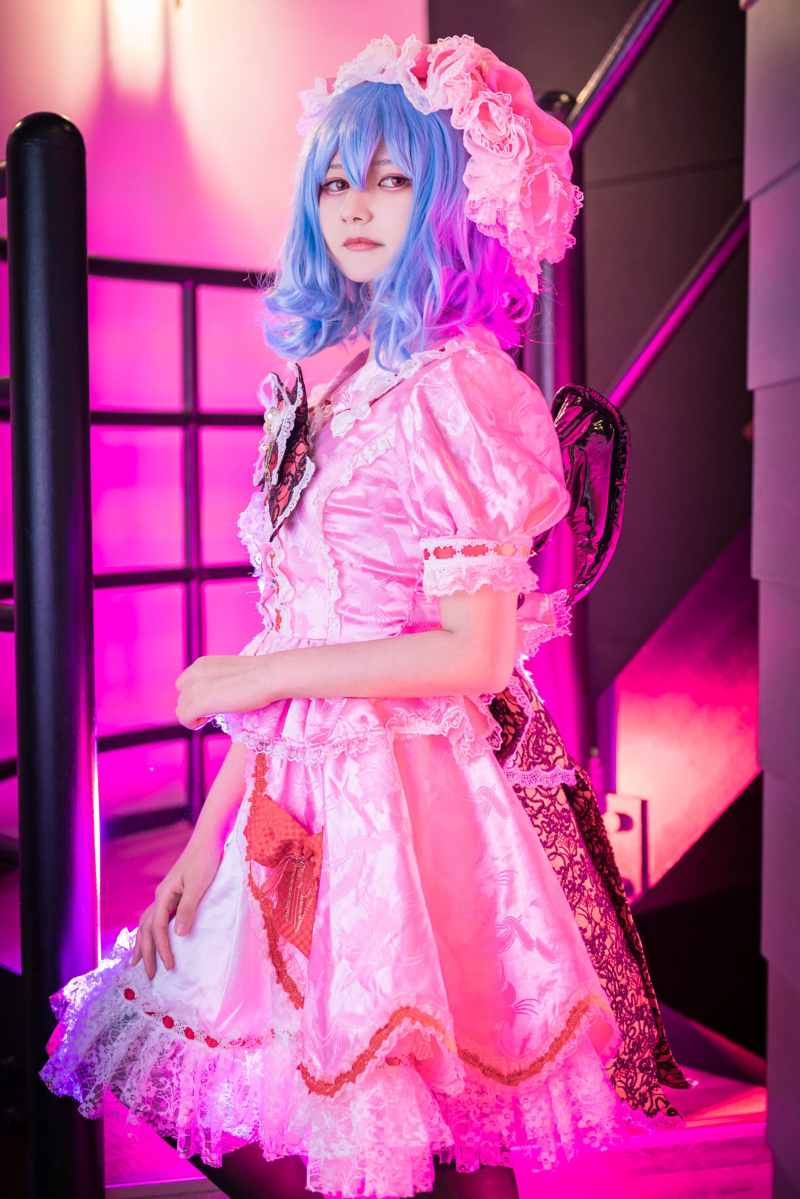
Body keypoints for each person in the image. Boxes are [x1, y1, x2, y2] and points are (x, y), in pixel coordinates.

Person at [42, 35, 688, 1199]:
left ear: (445, 200)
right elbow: (295, 631)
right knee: (268, 1089)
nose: (353, 203)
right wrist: (201, 841)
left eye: (390, 178)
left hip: (404, 807)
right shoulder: (328, 382)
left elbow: (476, 650)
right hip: (292, 795)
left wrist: (244, 678)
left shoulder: (456, 387)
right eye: (336, 179)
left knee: (420, 1115)